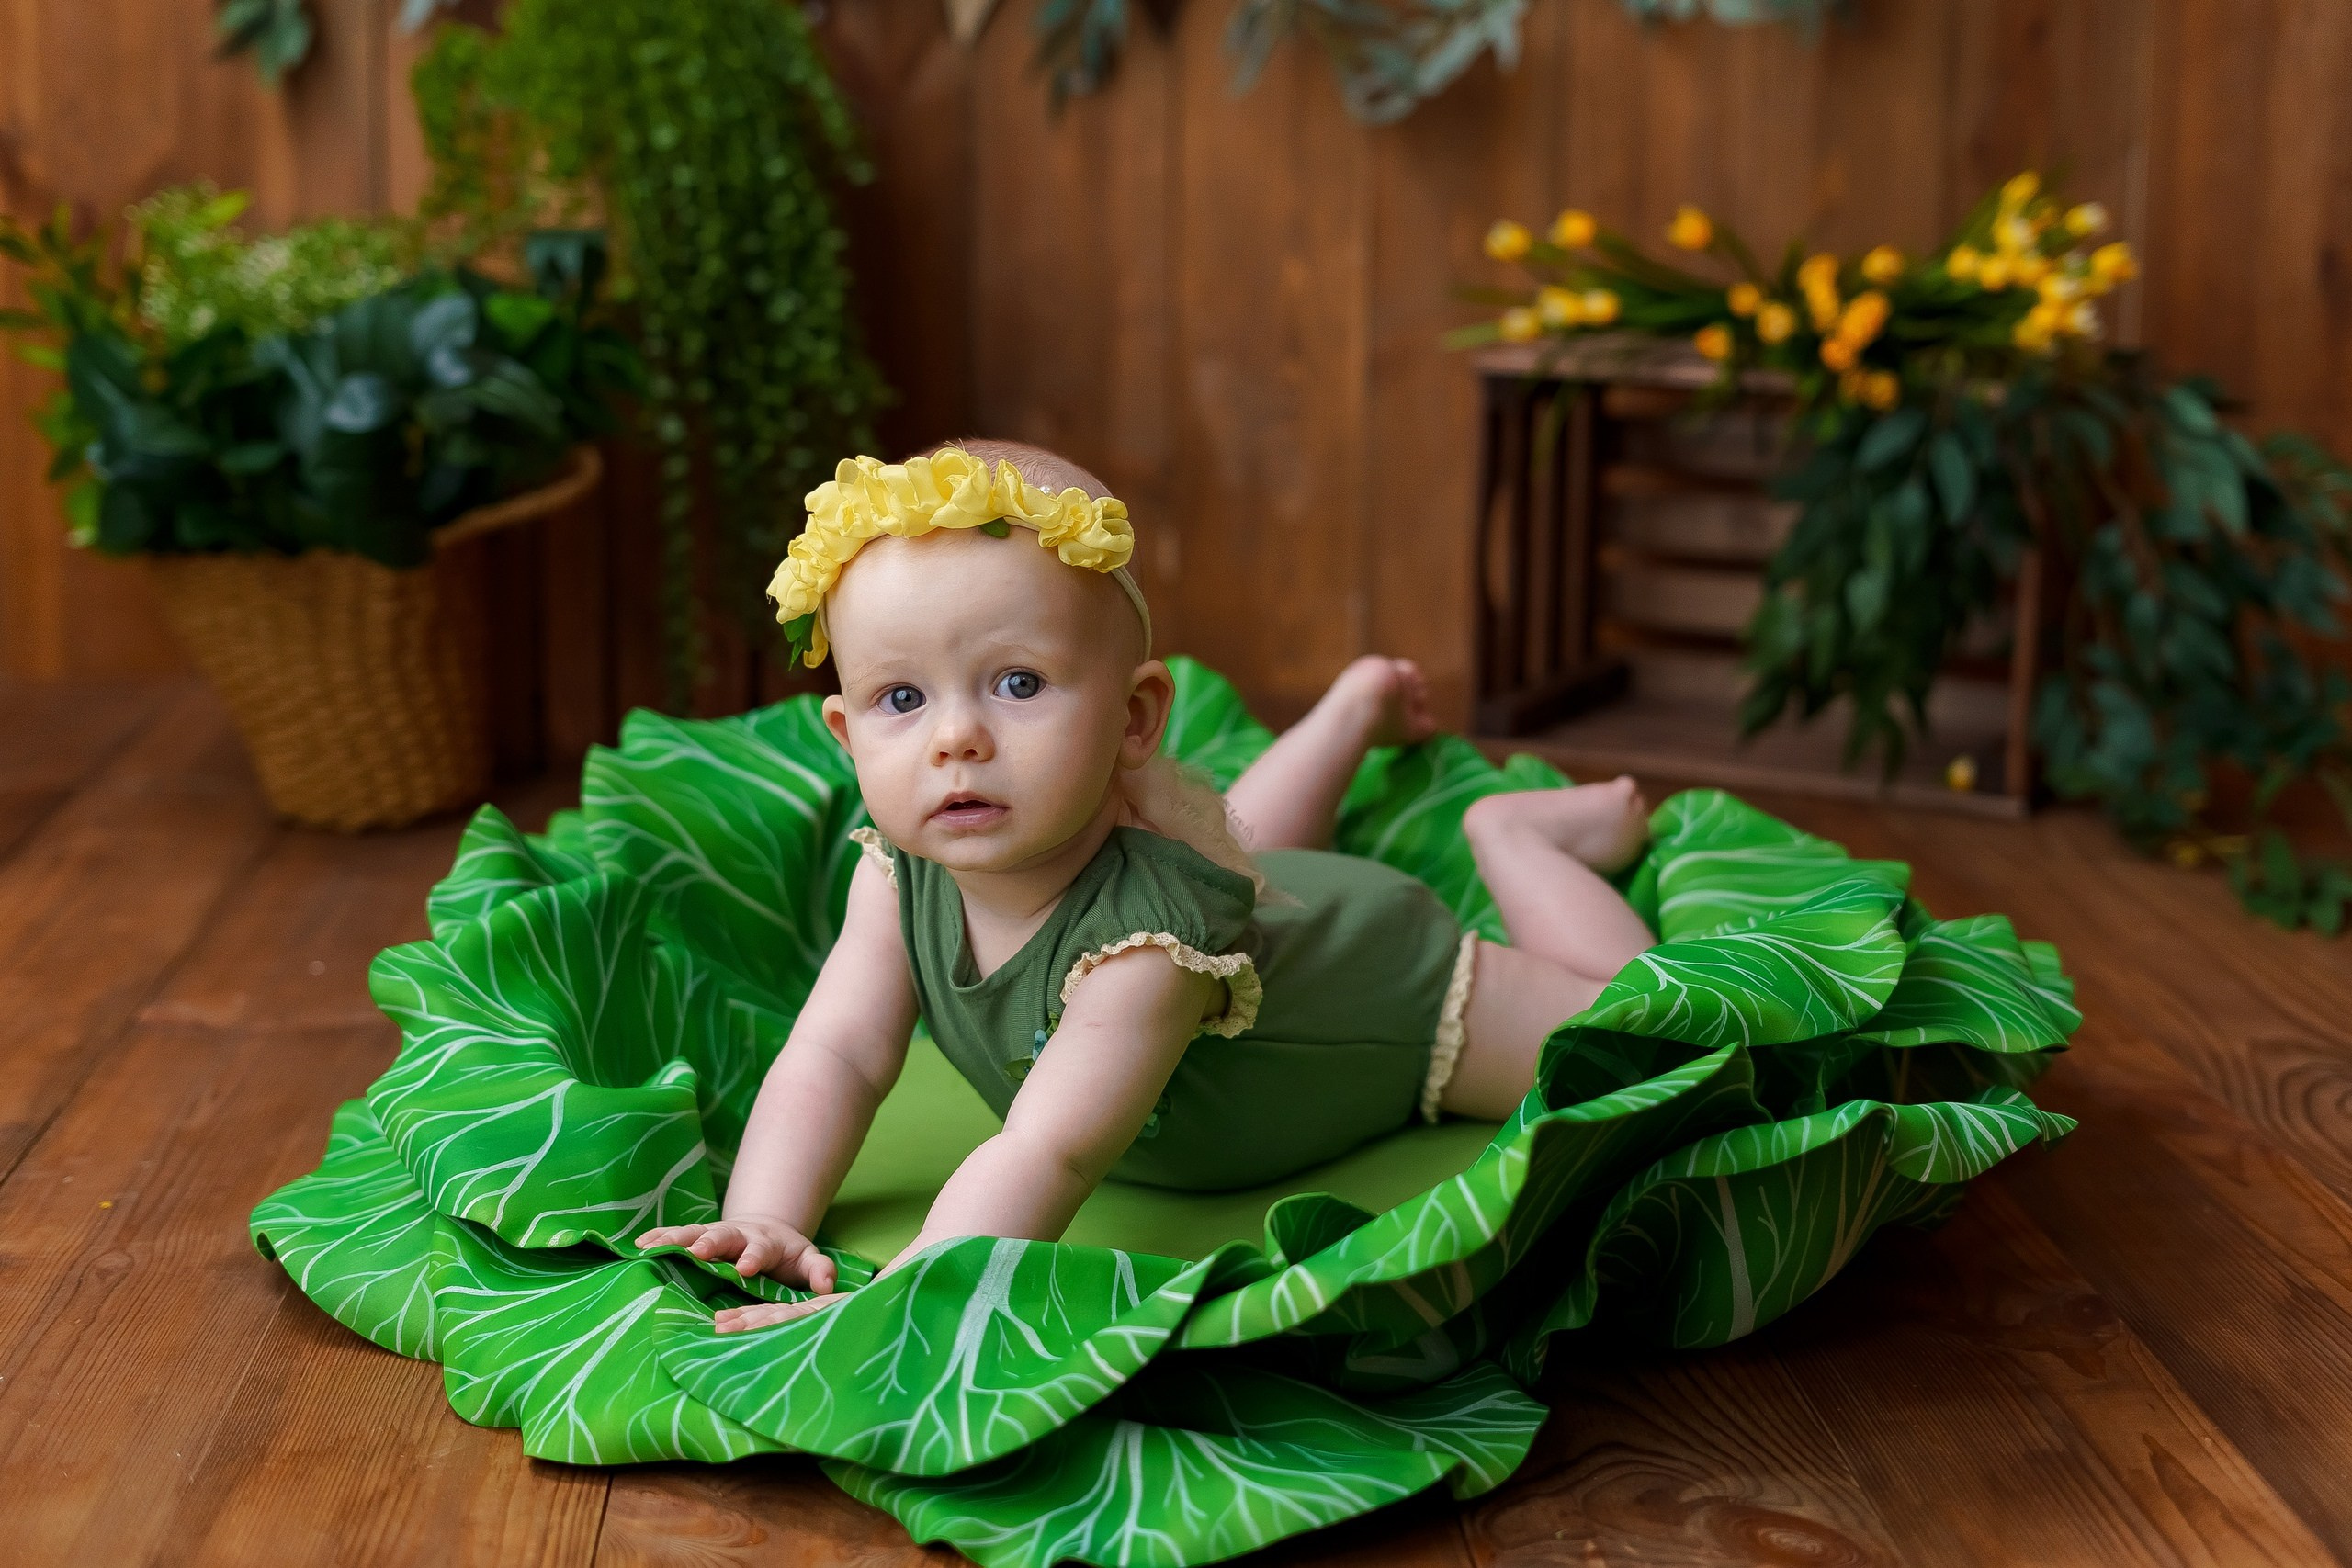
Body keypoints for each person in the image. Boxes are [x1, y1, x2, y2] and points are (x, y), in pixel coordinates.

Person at [636, 440, 1658, 1331]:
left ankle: (1520, 838)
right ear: (847, 737)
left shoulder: (1150, 945)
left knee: (1640, 1024)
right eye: (902, 698)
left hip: (1394, 987)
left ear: (1134, 719)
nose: (956, 737)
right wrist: (770, 1212)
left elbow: (1049, 1149)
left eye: (1018, 683)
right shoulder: (897, 870)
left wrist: (912, 1294)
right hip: (1259, 905)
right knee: (1241, 856)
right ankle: (1349, 717)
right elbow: (839, 1051)